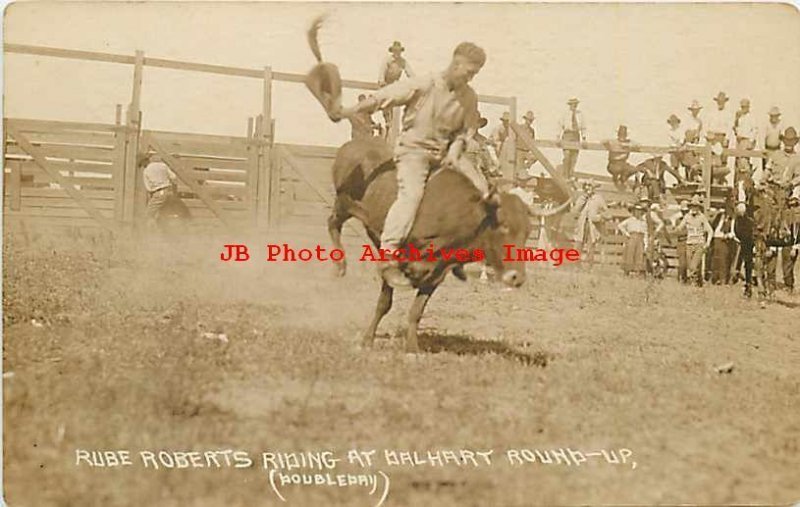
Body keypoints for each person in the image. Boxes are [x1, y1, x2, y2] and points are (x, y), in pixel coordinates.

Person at [336, 42, 488, 288]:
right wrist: (348, 111)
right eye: (470, 71)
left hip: (447, 154)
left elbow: (466, 130)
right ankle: (388, 254)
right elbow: (383, 98)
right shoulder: (424, 84)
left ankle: (462, 254)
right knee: (412, 195)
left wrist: (458, 147)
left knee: (483, 190)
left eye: (475, 73)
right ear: (457, 64)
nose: (471, 77)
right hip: (413, 152)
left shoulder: (469, 96)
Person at [141, 153, 189, 230]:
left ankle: (150, 231)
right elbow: (173, 177)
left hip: (158, 192)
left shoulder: (146, 171)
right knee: (167, 210)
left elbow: (148, 188)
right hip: (168, 191)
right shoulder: (163, 166)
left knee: (149, 214)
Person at [378, 41, 415, 140]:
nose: (397, 53)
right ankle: (387, 120)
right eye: (395, 51)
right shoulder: (388, 60)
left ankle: (392, 126)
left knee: (395, 102)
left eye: (398, 51)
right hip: (386, 84)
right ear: (392, 51)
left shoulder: (403, 62)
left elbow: (410, 72)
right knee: (385, 104)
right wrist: (382, 81)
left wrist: (414, 81)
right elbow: (382, 71)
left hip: (394, 84)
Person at [677, 195, 713, 287]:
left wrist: (708, 242)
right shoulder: (687, 217)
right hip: (689, 243)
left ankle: (694, 282)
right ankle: (696, 282)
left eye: (696, 206)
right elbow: (680, 227)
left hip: (699, 244)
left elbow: (710, 231)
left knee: (694, 265)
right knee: (690, 266)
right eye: (692, 206)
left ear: (698, 208)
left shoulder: (702, 217)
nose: (694, 208)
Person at [573, 179, 607, 268]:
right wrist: (584, 197)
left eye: (590, 186)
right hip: (582, 225)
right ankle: (576, 265)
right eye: (586, 186)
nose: (588, 188)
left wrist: (599, 217)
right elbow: (576, 210)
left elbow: (606, 212)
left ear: (593, 188)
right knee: (578, 245)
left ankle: (589, 266)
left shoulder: (598, 198)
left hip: (593, 226)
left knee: (590, 246)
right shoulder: (581, 198)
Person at [558, 97, 587, 179]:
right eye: (572, 104)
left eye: (575, 104)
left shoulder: (580, 114)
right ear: (569, 105)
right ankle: (565, 175)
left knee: (574, 157)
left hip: (576, 135)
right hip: (567, 135)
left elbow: (583, 127)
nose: (574, 106)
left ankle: (570, 174)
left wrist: (584, 138)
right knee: (567, 155)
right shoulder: (565, 114)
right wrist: (558, 137)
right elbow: (560, 125)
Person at [705, 91, 734, 173]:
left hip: (722, 137)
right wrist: (709, 136)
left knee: (723, 158)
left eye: (722, 101)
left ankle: (720, 179)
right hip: (713, 137)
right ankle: (712, 179)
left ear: (725, 102)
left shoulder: (728, 114)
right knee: (712, 158)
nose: (720, 103)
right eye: (719, 101)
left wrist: (726, 139)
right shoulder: (712, 113)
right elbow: (708, 125)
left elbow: (729, 127)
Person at [710, 206, 738, 284]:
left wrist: (728, 235)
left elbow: (734, 232)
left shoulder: (733, 220)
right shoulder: (719, 217)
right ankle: (714, 278)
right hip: (716, 238)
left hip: (727, 241)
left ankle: (723, 279)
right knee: (715, 259)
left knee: (723, 260)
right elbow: (713, 227)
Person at [618, 204, 647, 276]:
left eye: (640, 211)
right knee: (629, 253)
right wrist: (626, 233)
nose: (638, 213)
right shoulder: (630, 220)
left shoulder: (643, 221)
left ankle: (637, 271)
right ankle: (627, 271)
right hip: (632, 237)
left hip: (640, 238)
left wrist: (646, 242)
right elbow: (620, 225)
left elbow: (646, 232)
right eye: (636, 211)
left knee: (639, 254)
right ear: (633, 212)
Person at [733, 98, 758, 174]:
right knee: (738, 160)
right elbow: (735, 128)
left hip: (746, 140)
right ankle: (739, 181)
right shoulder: (739, 117)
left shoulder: (751, 117)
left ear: (748, 107)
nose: (743, 109)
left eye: (745, 107)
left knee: (744, 160)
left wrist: (751, 141)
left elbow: (755, 130)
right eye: (742, 107)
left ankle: (747, 178)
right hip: (739, 141)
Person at [491, 111, 517, 180]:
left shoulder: (511, 130)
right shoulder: (498, 128)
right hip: (495, 147)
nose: (506, 122)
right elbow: (495, 140)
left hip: (505, 149)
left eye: (507, 121)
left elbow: (513, 139)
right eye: (505, 121)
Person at [671, 200, 690, 282]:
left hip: (689, 242)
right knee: (682, 262)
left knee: (689, 262)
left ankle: (687, 278)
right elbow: (677, 232)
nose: (685, 212)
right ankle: (681, 278)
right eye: (683, 211)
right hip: (682, 241)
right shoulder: (679, 220)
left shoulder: (691, 219)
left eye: (686, 211)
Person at [763, 106, 783, 171]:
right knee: (767, 168)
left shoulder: (781, 124)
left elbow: (782, 138)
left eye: (775, 116)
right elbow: (763, 137)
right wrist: (763, 149)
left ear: (778, 116)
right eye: (772, 116)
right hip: (768, 150)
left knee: (776, 168)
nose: (773, 118)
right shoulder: (767, 124)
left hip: (777, 150)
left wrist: (781, 150)